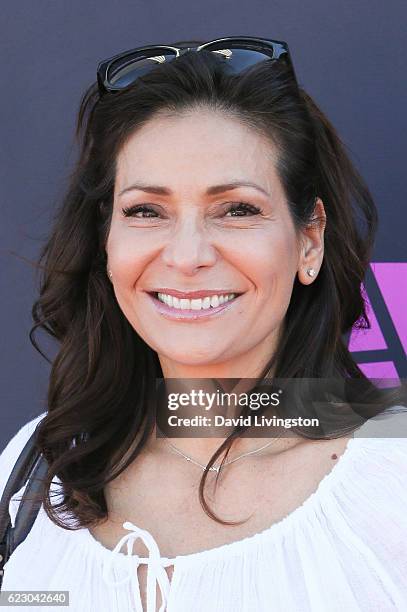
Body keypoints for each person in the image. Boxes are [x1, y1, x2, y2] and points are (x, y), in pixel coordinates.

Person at [1, 37, 406, 612]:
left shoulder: (395, 472)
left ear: (309, 239)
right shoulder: (35, 468)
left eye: (236, 210)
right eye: (147, 211)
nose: (187, 255)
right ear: (106, 240)